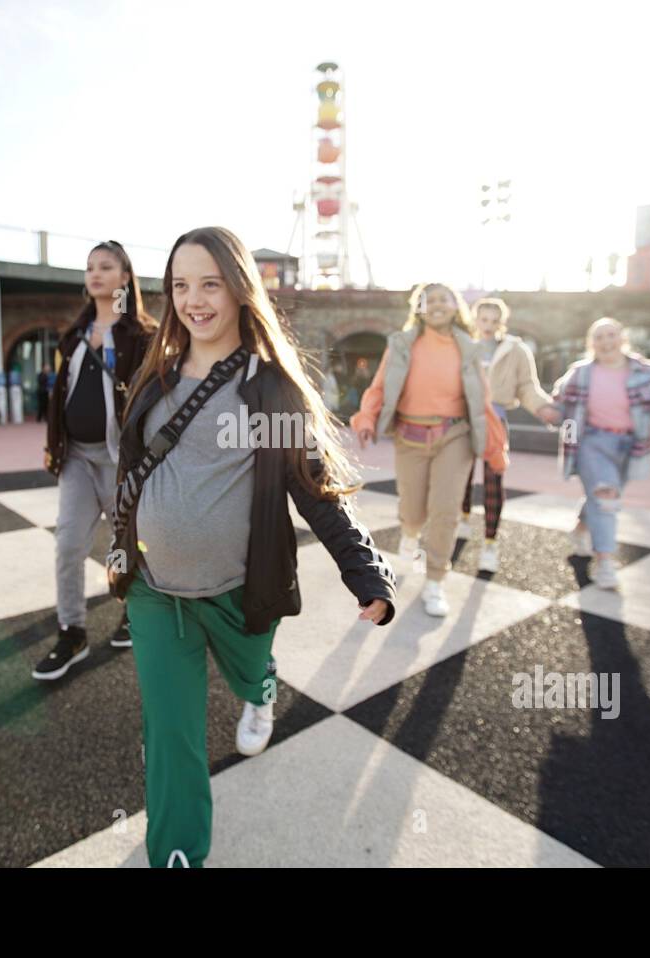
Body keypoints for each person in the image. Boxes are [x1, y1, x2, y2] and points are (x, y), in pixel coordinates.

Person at [109, 226, 396, 867]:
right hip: (157, 594)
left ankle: (260, 684)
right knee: (172, 734)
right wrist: (124, 545)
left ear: (240, 290)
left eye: (210, 283)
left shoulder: (269, 390)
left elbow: (316, 489)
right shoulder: (153, 376)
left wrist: (367, 573)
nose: (194, 299)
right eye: (181, 285)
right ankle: (179, 853)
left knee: (250, 672)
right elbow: (130, 468)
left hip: (240, 590)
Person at [31, 242, 157, 678]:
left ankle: (132, 614)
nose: (95, 274)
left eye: (106, 267)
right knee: (68, 544)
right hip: (77, 459)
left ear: (125, 277)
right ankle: (72, 631)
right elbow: (57, 397)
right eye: (89, 268)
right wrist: (54, 443)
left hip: (121, 461)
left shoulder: (141, 336)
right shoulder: (75, 335)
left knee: (126, 546)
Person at [350, 283, 507, 616]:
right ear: (418, 308)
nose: (437, 304)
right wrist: (366, 418)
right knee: (413, 510)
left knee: (446, 510)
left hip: (455, 435)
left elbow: (483, 402)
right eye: (429, 300)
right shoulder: (401, 344)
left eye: (444, 299)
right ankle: (410, 533)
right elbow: (378, 386)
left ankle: (435, 581)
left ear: (455, 307)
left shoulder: (469, 347)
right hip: (410, 435)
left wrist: (495, 447)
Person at [552, 317, 650, 590]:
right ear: (591, 344)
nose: (606, 342)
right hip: (592, 443)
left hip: (632, 445)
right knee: (606, 497)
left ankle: (581, 529)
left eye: (611, 335)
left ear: (623, 339)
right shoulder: (581, 373)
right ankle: (605, 562)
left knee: (603, 493)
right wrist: (547, 412)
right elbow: (559, 403)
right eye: (599, 337)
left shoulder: (644, 371)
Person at [457, 297, 562, 572]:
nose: (489, 326)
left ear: (502, 322)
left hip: (495, 420)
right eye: (484, 319)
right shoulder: (462, 345)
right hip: (463, 418)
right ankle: (463, 519)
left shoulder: (516, 350)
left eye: (495, 320)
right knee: (460, 476)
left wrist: (543, 407)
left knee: (494, 481)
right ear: (475, 319)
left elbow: (528, 385)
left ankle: (490, 543)